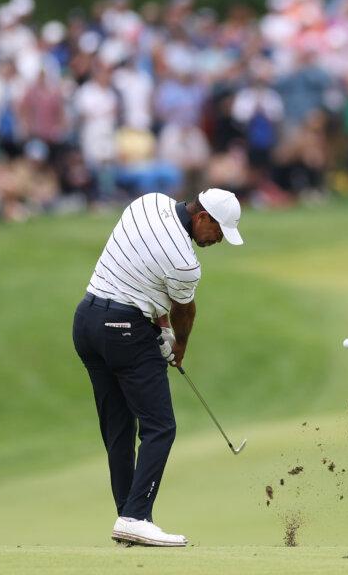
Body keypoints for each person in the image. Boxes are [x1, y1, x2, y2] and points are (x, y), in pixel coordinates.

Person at [72, 188, 244, 547]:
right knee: (160, 427)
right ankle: (136, 516)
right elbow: (185, 311)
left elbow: (143, 270)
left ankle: (128, 518)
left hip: (86, 321)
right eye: (219, 232)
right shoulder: (186, 261)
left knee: (119, 427)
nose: (219, 241)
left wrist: (160, 328)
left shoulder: (148, 202)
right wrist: (177, 344)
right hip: (124, 331)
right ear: (202, 218)